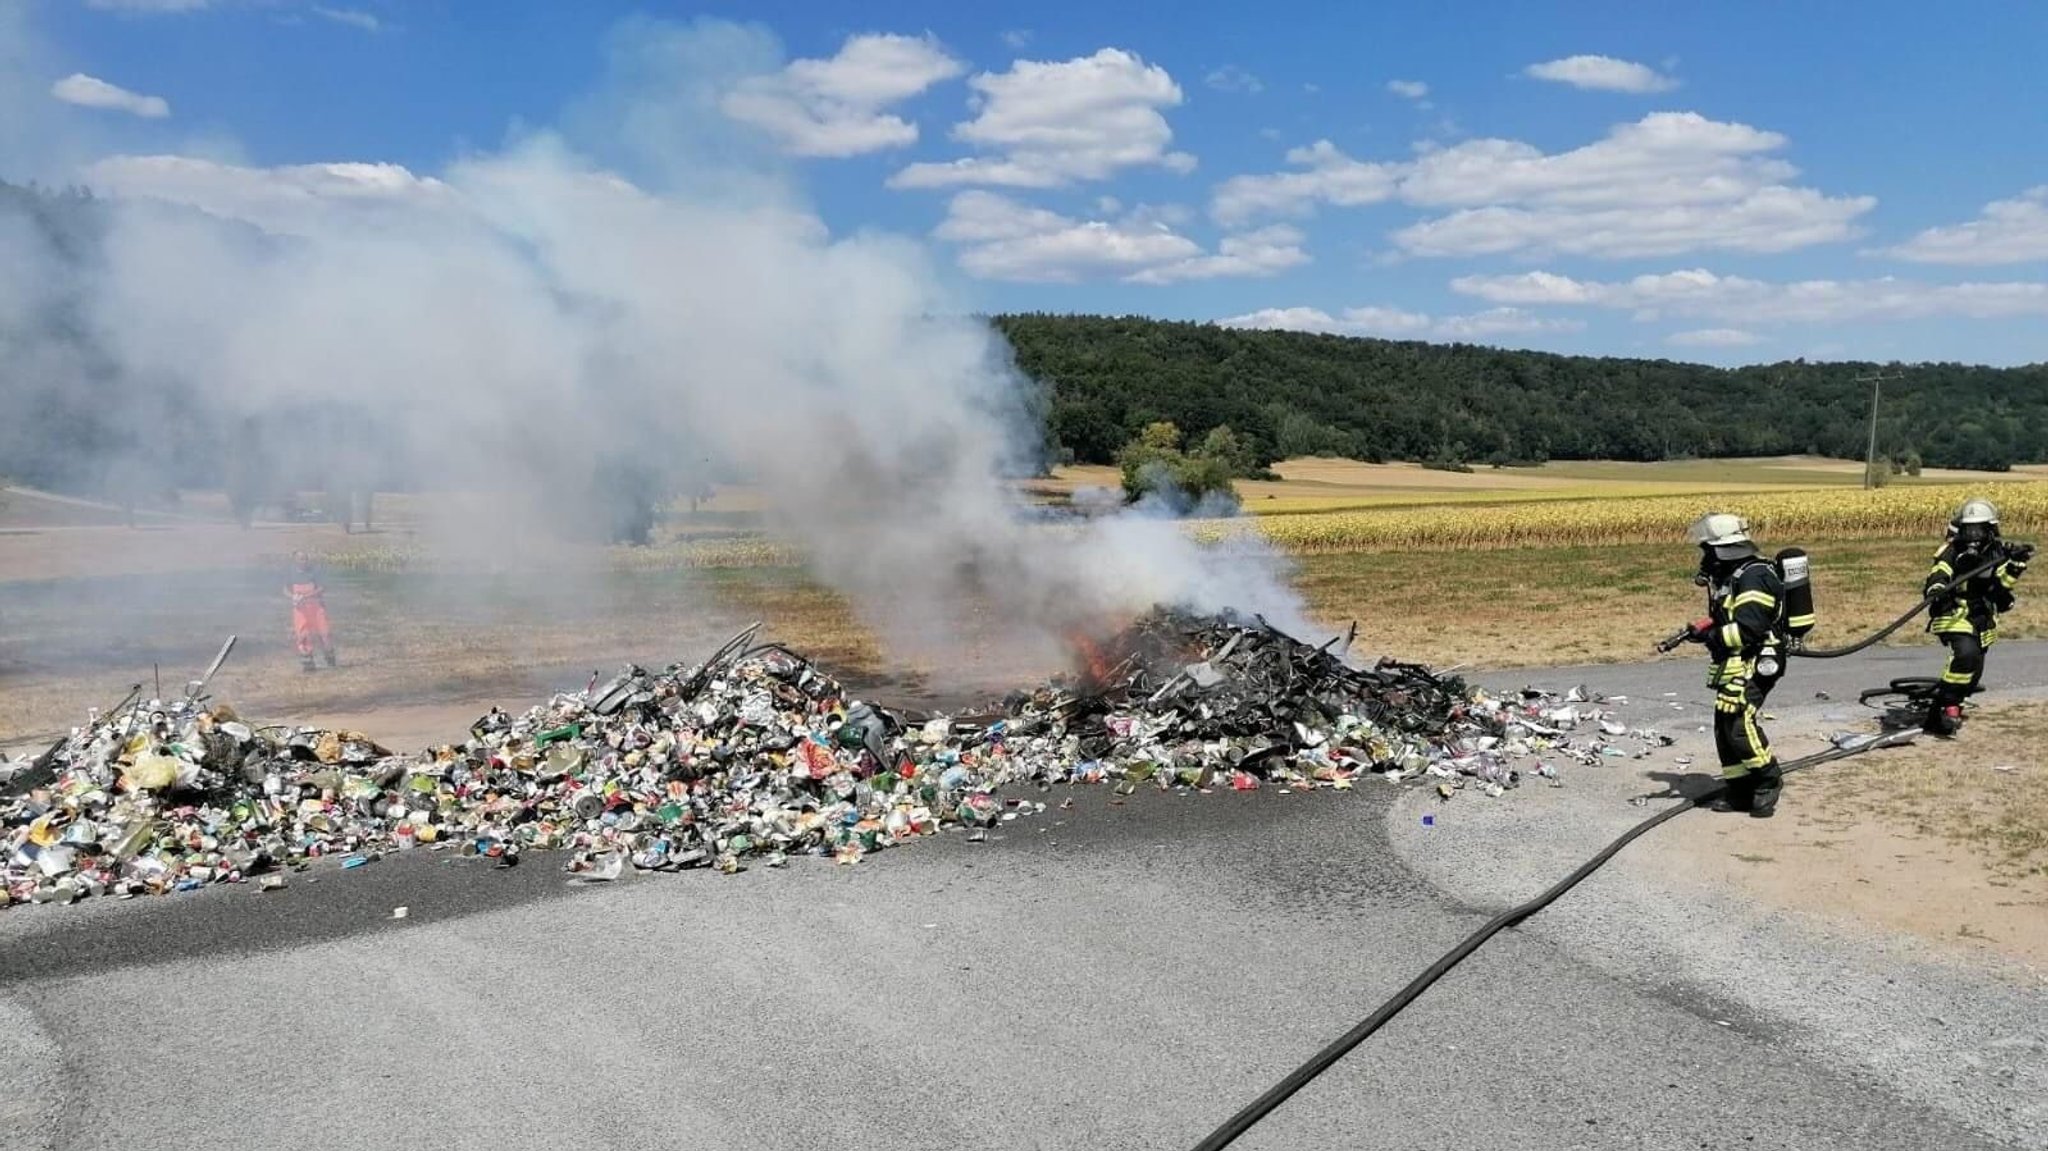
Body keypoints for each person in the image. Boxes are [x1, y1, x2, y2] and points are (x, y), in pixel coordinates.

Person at [1674, 513, 1787, 817]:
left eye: (1707, 550)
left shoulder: (1755, 576)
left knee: (1739, 723)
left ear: (1723, 549)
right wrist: (1701, 631)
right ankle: (1739, 791)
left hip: (1758, 659)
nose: (1705, 557)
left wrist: (1711, 636)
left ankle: (1768, 780)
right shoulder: (1733, 576)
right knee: (1724, 726)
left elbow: (1749, 628)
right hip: (1736, 661)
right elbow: (1727, 618)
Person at [1922, 499, 2032, 736]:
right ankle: (1947, 706)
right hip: (1954, 613)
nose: (1973, 535)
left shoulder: (1997, 552)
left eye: (1979, 529)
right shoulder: (1951, 551)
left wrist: (2015, 565)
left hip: (1982, 617)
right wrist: (1936, 588)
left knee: (1974, 668)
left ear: (1990, 529)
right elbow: (1939, 572)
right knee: (1966, 655)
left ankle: (1951, 703)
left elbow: (1999, 585)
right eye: (1969, 529)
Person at [287, 551, 337, 672]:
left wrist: (307, 596)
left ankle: (330, 658)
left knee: (325, 633)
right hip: (300, 609)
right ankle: (308, 662)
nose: (303, 561)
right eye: (300, 559)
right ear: (295, 560)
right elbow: (284, 588)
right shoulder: (290, 573)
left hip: (316, 606)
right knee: (303, 634)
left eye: (305, 559)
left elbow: (322, 588)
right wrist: (292, 596)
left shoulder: (315, 572)